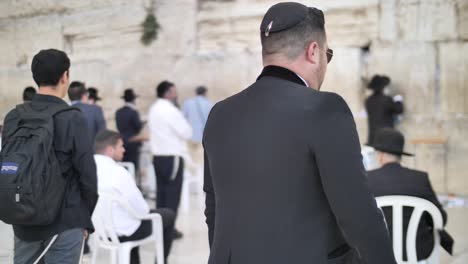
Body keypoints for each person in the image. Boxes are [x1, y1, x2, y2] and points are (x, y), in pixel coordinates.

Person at [203, 3, 396, 264]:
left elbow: (214, 209)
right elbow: (357, 215)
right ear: (314, 52)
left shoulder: (219, 114)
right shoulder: (325, 108)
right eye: (328, 54)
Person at [2, 49, 98, 264]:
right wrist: (84, 218)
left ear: (35, 78)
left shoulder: (14, 117)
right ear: (65, 76)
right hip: (65, 222)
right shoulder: (73, 118)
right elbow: (87, 176)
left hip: (23, 217)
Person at [367, 128, 454, 261]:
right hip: (417, 253)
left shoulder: (367, 180)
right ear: (400, 155)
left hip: (378, 253)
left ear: (380, 155)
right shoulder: (420, 178)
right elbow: (440, 219)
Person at [94, 130, 175, 264]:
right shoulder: (119, 172)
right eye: (121, 146)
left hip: (101, 231)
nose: (124, 150)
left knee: (130, 218)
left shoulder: (88, 169)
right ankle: (161, 261)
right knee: (168, 215)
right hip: (124, 232)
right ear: (109, 150)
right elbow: (142, 210)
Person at [148, 80, 192, 238]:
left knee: (161, 194)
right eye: (174, 91)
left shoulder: (153, 109)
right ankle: (169, 230)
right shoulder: (170, 110)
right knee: (172, 195)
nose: (176, 94)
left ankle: (160, 228)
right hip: (171, 156)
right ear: (167, 93)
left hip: (158, 157)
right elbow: (187, 132)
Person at [182, 86, 213, 176]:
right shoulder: (208, 104)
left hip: (190, 136)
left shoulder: (187, 103)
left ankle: (191, 179)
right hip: (202, 137)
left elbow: (183, 118)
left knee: (190, 160)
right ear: (205, 93)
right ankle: (199, 183)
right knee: (200, 161)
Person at [365, 74, 404, 145]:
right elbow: (399, 110)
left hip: (372, 138)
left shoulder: (368, 100)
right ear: (383, 87)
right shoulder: (386, 99)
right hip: (385, 137)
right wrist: (398, 100)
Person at [116, 88, 144, 175]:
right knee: (133, 166)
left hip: (122, 141)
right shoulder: (133, 112)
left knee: (124, 165)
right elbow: (138, 127)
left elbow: (118, 126)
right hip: (133, 142)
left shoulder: (118, 112)